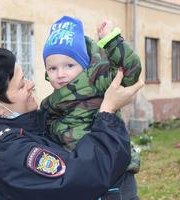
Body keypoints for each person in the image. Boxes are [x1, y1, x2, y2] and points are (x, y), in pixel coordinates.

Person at [0, 46, 143, 200]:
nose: (31, 84)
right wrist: (107, 112)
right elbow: (85, 177)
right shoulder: (9, 152)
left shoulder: (25, 127)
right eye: (21, 85)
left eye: (25, 77)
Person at [41, 16, 142, 199]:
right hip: (85, 175)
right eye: (52, 68)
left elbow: (130, 71)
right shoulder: (50, 104)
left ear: (84, 63)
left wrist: (111, 40)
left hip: (115, 174)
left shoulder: (97, 80)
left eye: (69, 65)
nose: (60, 74)